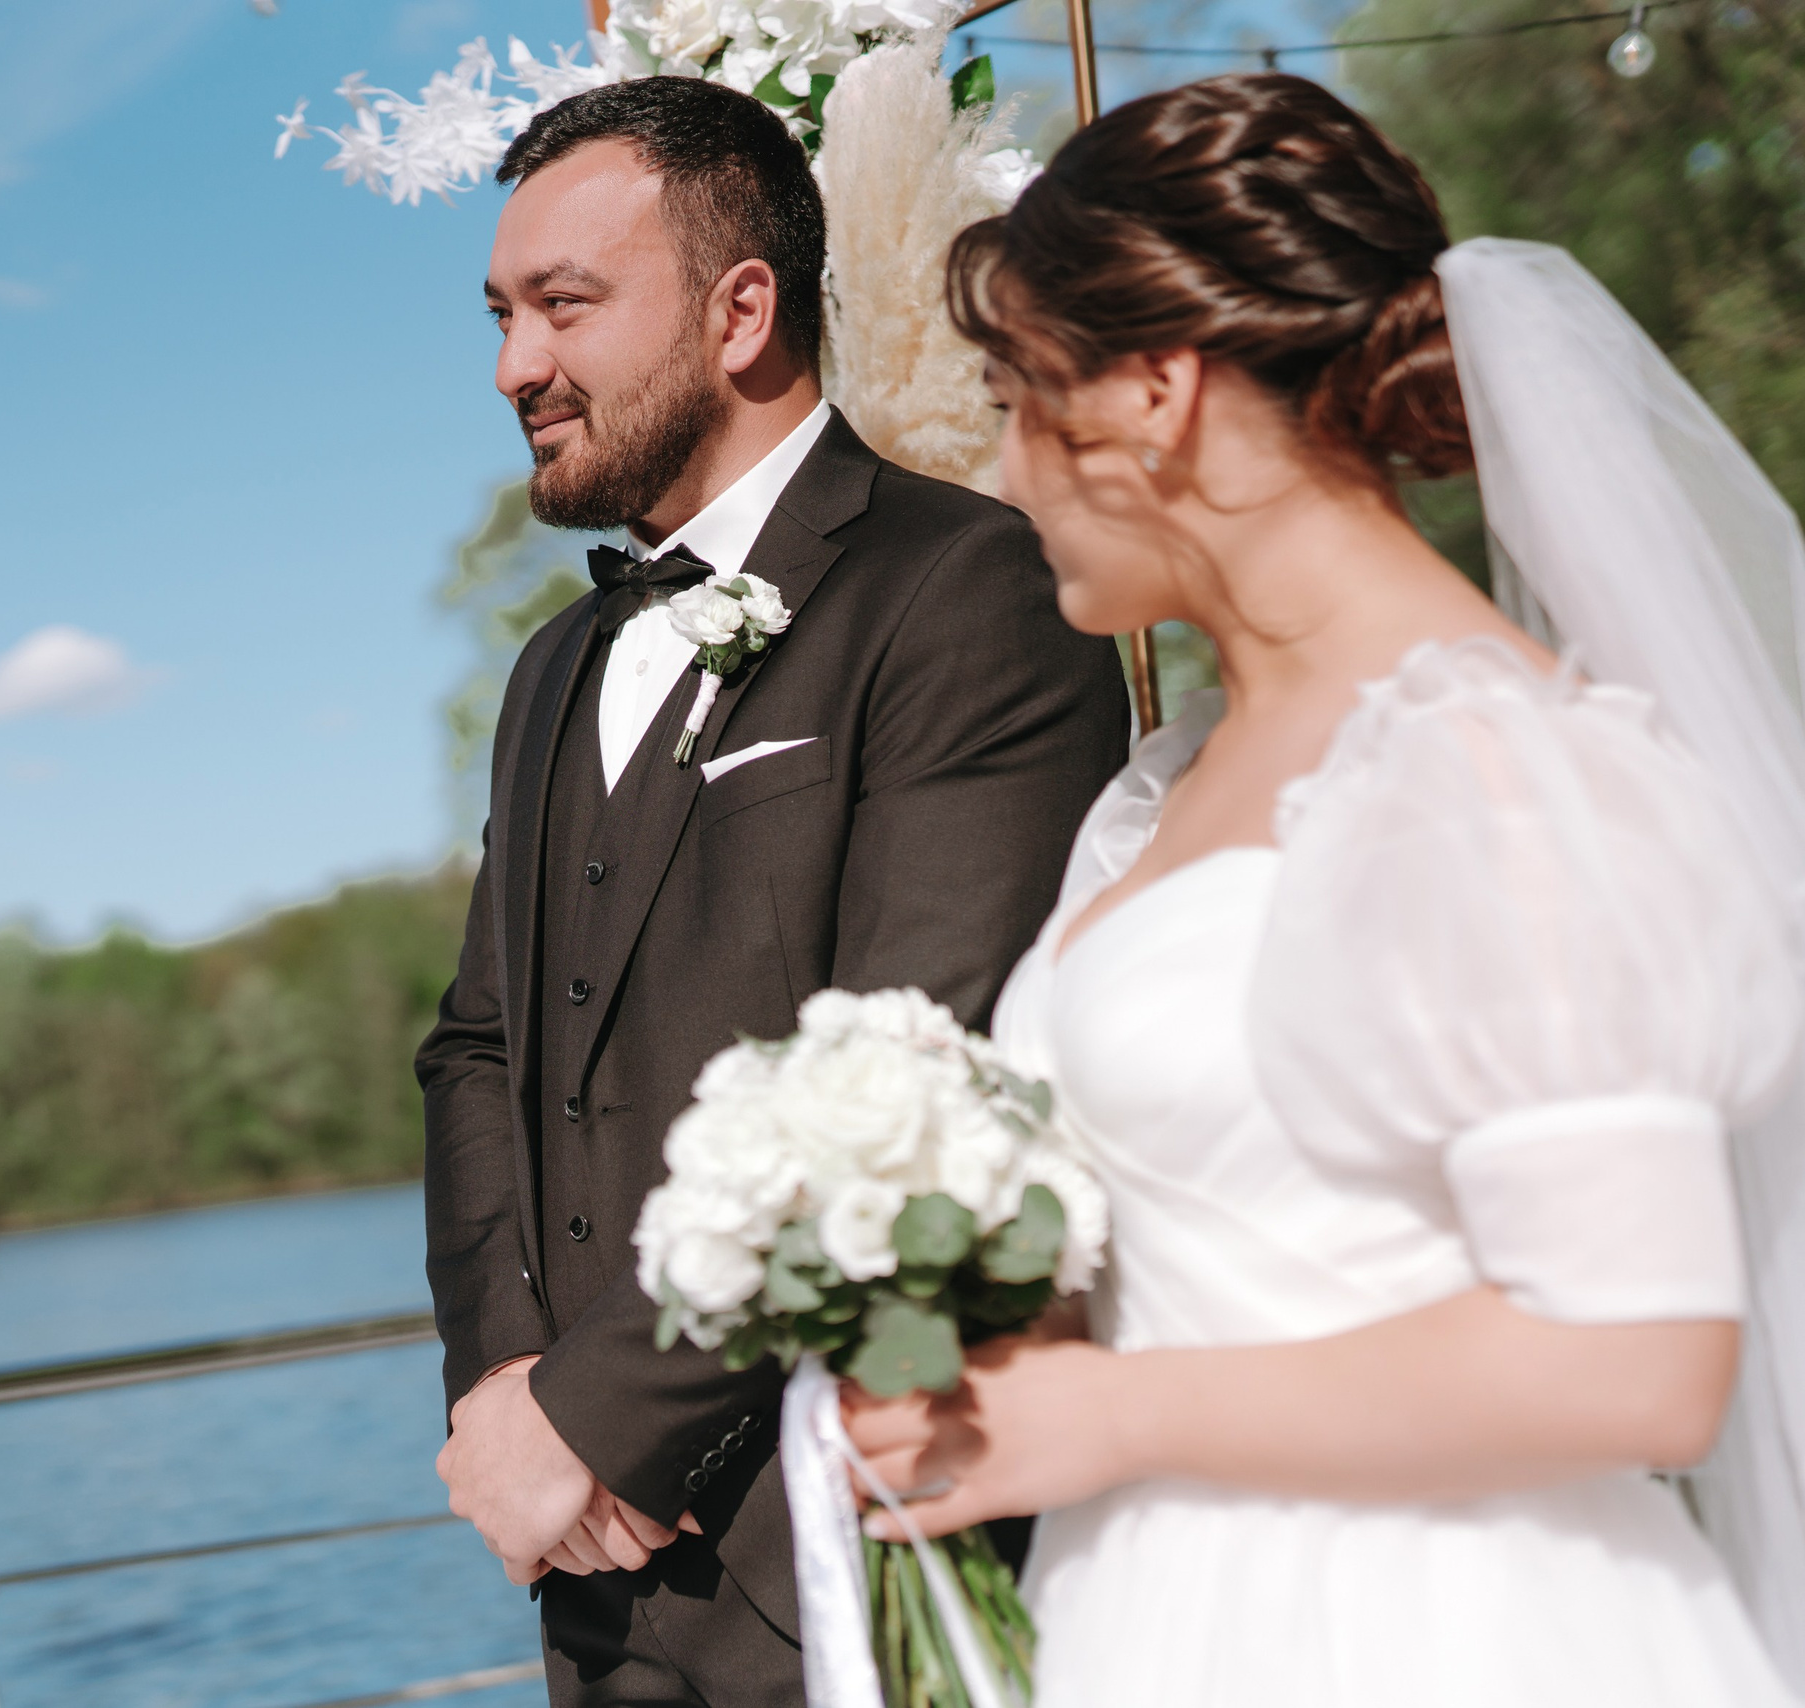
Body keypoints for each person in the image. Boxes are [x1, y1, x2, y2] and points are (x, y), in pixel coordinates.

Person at [839, 73, 1805, 1705]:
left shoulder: (1498, 772)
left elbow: (1638, 1360)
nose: (1005, 476)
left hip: (1450, 1635)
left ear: (1156, 390)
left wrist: (1120, 1413)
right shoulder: (1162, 791)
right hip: (1153, 1617)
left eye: (1020, 403)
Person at [415, 75, 1130, 1708]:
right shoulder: (550, 670)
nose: (516, 366)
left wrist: (603, 1419)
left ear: (741, 311)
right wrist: (513, 1391)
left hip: (862, 1545)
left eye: (565, 306)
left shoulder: (965, 589)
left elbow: (917, 1058)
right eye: (503, 317)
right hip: (594, 1589)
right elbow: (480, 1048)